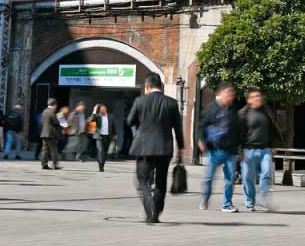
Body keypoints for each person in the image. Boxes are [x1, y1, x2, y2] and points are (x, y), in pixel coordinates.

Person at [126, 73, 186, 224]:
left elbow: (129, 121)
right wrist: (181, 147)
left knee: (143, 180)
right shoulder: (171, 103)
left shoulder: (140, 101)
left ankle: (150, 209)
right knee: (161, 181)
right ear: (161, 86)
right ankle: (157, 212)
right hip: (164, 148)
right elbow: (178, 128)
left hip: (144, 147)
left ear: (147, 86)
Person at [197, 85, 244, 211]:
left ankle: (226, 204)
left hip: (231, 151)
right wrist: (201, 140)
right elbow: (202, 125)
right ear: (221, 93)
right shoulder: (212, 108)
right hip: (215, 150)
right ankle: (205, 198)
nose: (231, 96)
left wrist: (240, 149)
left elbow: (238, 131)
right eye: (228, 93)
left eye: (232, 94)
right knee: (209, 178)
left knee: (230, 180)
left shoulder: (234, 110)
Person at [240, 88, 282, 212]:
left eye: (259, 96)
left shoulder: (265, 112)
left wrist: (273, 145)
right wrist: (239, 151)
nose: (258, 98)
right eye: (255, 96)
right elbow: (238, 134)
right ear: (248, 100)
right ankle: (249, 202)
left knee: (267, 174)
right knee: (248, 178)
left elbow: (272, 130)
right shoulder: (243, 114)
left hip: (265, 150)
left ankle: (263, 197)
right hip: (248, 151)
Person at [39, 99, 63, 169]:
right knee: (54, 149)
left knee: (45, 149)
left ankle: (44, 164)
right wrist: (60, 119)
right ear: (54, 105)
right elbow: (56, 122)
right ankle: (55, 164)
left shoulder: (44, 111)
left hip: (44, 133)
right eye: (56, 105)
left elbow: (41, 122)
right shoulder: (52, 112)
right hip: (50, 133)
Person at [92, 103, 113, 170]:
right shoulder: (97, 116)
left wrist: (115, 134)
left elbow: (113, 126)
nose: (103, 110)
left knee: (105, 152)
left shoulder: (110, 116)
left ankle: (102, 164)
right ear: (100, 110)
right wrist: (94, 110)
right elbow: (92, 119)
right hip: (99, 136)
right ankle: (101, 165)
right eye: (101, 109)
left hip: (107, 137)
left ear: (106, 110)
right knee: (100, 150)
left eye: (104, 109)